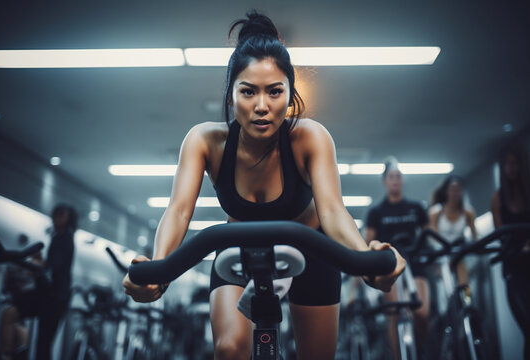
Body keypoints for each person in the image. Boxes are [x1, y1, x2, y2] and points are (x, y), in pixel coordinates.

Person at [122, 11, 406, 360]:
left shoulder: (310, 138)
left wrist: (365, 261)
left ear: (290, 94)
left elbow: (332, 211)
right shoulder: (204, 141)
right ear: (231, 95)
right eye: (248, 91)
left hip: (311, 255)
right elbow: (179, 210)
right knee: (229, 349)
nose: (261, 106)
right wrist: (158, 270)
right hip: (238, 255)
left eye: (274, 92)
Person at [365, 158, 429, 359]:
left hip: (415, 264)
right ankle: (397, 355)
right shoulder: (376, 211)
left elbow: (428, 236)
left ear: (402, 180)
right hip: (390, 265)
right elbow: (369, 242)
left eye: (398, 177)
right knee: (395, 313)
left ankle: (418, 350)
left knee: (421, 313)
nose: (395, 180)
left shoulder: (416, 207)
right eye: (391, 177)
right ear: (385, 181)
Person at [0, 204, 77, 360]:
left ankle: (10, 354)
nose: (56, 218)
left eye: (61, 215)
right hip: (48, 295)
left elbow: (53, 266)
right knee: (10, 314)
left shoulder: (65, 239)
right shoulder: (59, 238)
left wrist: (39, 265)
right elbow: (51, 267)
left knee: (43, 344)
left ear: (69, 219)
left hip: (54, 298)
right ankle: (10, 354)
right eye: (56, 214)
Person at [490, 143, 530, 359]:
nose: (512, 168)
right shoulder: (498, 199)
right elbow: (501, 233)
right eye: (508, 164)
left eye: (516, 163)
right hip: (513, 266)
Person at [429, 175, 477, 284]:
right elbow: (433, 239)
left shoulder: (468, 212)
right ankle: (450, 298)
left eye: (458, 189)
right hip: (442, 254)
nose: (455, 193)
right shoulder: (436, 212)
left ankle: (466, 298)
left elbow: (475, 237)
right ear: (446, 191)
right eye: (452, 189)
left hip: (460, 253)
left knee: (465, 282)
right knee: (446, 282)